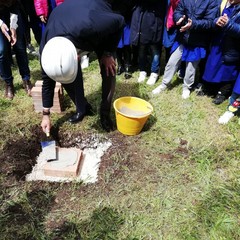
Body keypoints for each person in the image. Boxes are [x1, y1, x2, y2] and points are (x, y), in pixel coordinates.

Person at [40, 0, 127, 134]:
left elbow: (119, 21)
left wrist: (108, 53)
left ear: (77, 56)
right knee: (65, 75)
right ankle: (83, 108)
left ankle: (105, 113)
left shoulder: (94, 25)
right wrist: (46, 115)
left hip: (96, 21)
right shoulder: (47, 53)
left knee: (109, 70)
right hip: (71, 23)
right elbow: (47, 82)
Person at [152, 0, 219, 99]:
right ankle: (164, 84)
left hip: (198, 41)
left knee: (191, 67)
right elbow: (178, 11)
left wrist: (193, 24)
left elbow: (210, 22)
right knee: (172, 62)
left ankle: (186, 87)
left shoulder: (212, 2)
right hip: (182, 38)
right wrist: (179, 18)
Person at [201, 0, 239, 105]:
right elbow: (211, 18)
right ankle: (209, 88)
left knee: (227, 70)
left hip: (232, 45)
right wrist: (216, 21)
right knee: (212, 65)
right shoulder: (222, 3)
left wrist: (228, 24)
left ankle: (222, 93)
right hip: (218, 41)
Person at [0, 0, 32, 100]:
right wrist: (1, 24)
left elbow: (15, 5)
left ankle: (26, 79)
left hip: (14, 11)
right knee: (2, 51)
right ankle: (8, 83)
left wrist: (13, 26)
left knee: (20, 47)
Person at [130, 0, 167, 86]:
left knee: (155, 48)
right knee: (142, 47)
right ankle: (142, 70)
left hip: (155, 19)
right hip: (142, 19)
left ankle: (154, 72)